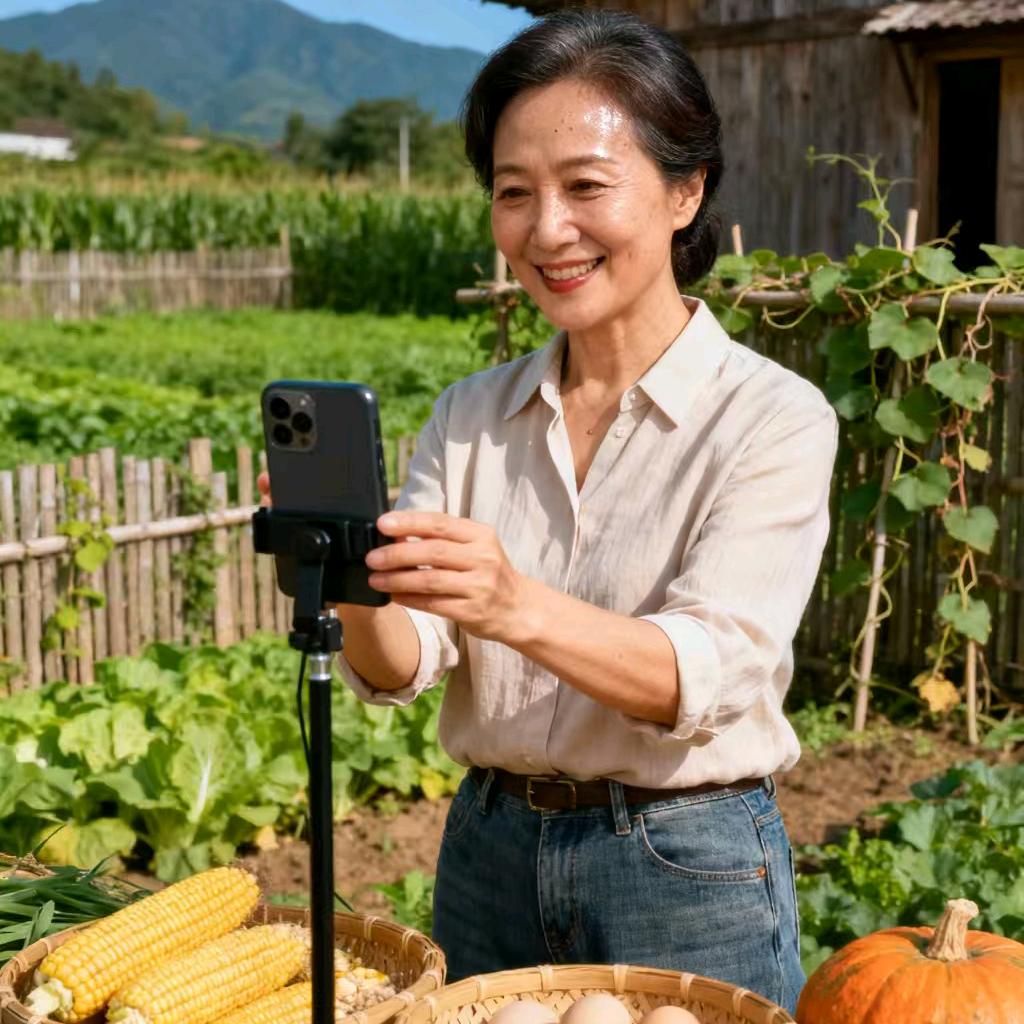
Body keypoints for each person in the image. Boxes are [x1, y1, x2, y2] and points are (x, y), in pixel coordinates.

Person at [263, 9, 837, 1014]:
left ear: (683, 191)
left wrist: (512, 603)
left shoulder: (771, 418)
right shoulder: (472, 413)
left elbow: (702, 671)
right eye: (513, 193)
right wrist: (350, 572)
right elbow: (403, 666)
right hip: (488, 841)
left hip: (682, 854)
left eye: (584, 186)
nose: (545, 231)